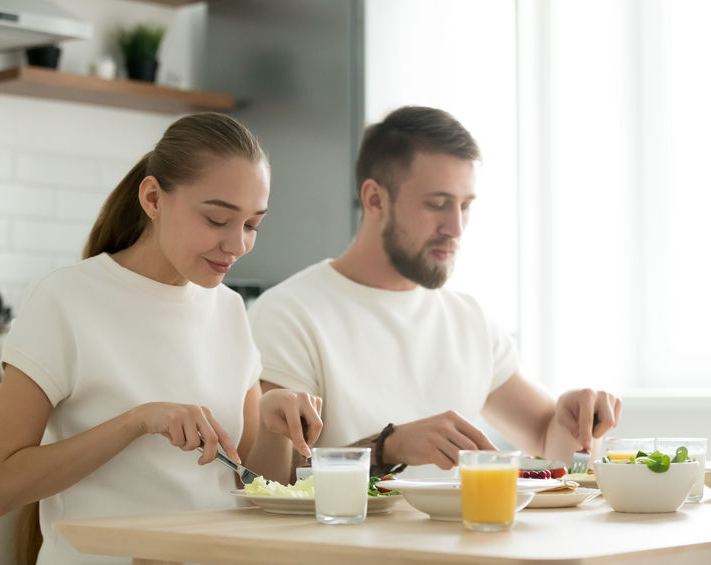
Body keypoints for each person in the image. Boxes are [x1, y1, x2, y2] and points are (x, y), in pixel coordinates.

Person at [0, 113, 323, 565]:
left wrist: (277, 428)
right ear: (153, 198)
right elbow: (1, 488)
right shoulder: (65, 299)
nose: (237, 245)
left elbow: (252, 485)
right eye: (218, 218)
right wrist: (136, 422)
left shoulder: (228, 309)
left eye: (252, 224)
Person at [248, 106, 621, 478]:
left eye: (465, 206)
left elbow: (545, 439)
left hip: (468, 536)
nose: (455, 227)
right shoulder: (289, 314)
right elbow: (276, 479)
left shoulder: (470, 319)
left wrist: (574, 418)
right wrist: (388, 446)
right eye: (437, 205)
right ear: (375, 199)